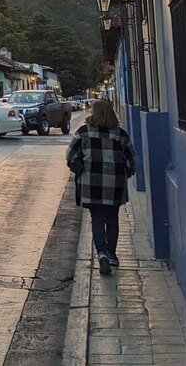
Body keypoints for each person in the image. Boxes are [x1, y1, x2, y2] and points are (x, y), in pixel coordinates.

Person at [66, 98, 136, 276]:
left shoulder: (83, 133)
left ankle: (102, 254)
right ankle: (112, 254)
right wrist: (125, 173)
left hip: (91, 183)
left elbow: (71, 155)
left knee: (96, 218)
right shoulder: (120, 134)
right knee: (112, 218)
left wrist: (79, 168)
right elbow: (131, 159)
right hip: (115, 184)